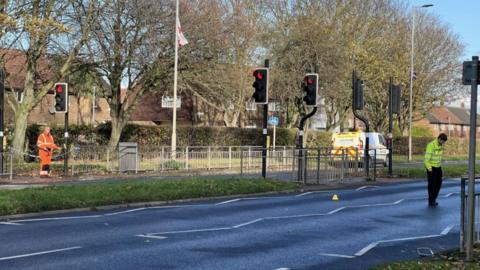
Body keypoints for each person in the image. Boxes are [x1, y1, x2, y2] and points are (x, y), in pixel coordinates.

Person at [424, 133, 448, 207]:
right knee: (432, 185)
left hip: (438, 167)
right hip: (431, 168)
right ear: (439, 139)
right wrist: (429, 168)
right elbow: (426, 159)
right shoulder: (431, 145)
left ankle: (434, 198)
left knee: (438, 184)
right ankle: (431, 200)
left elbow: (438, 157)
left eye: (444, 142)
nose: (443, 143)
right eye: (443, 141)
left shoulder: (440, 145)